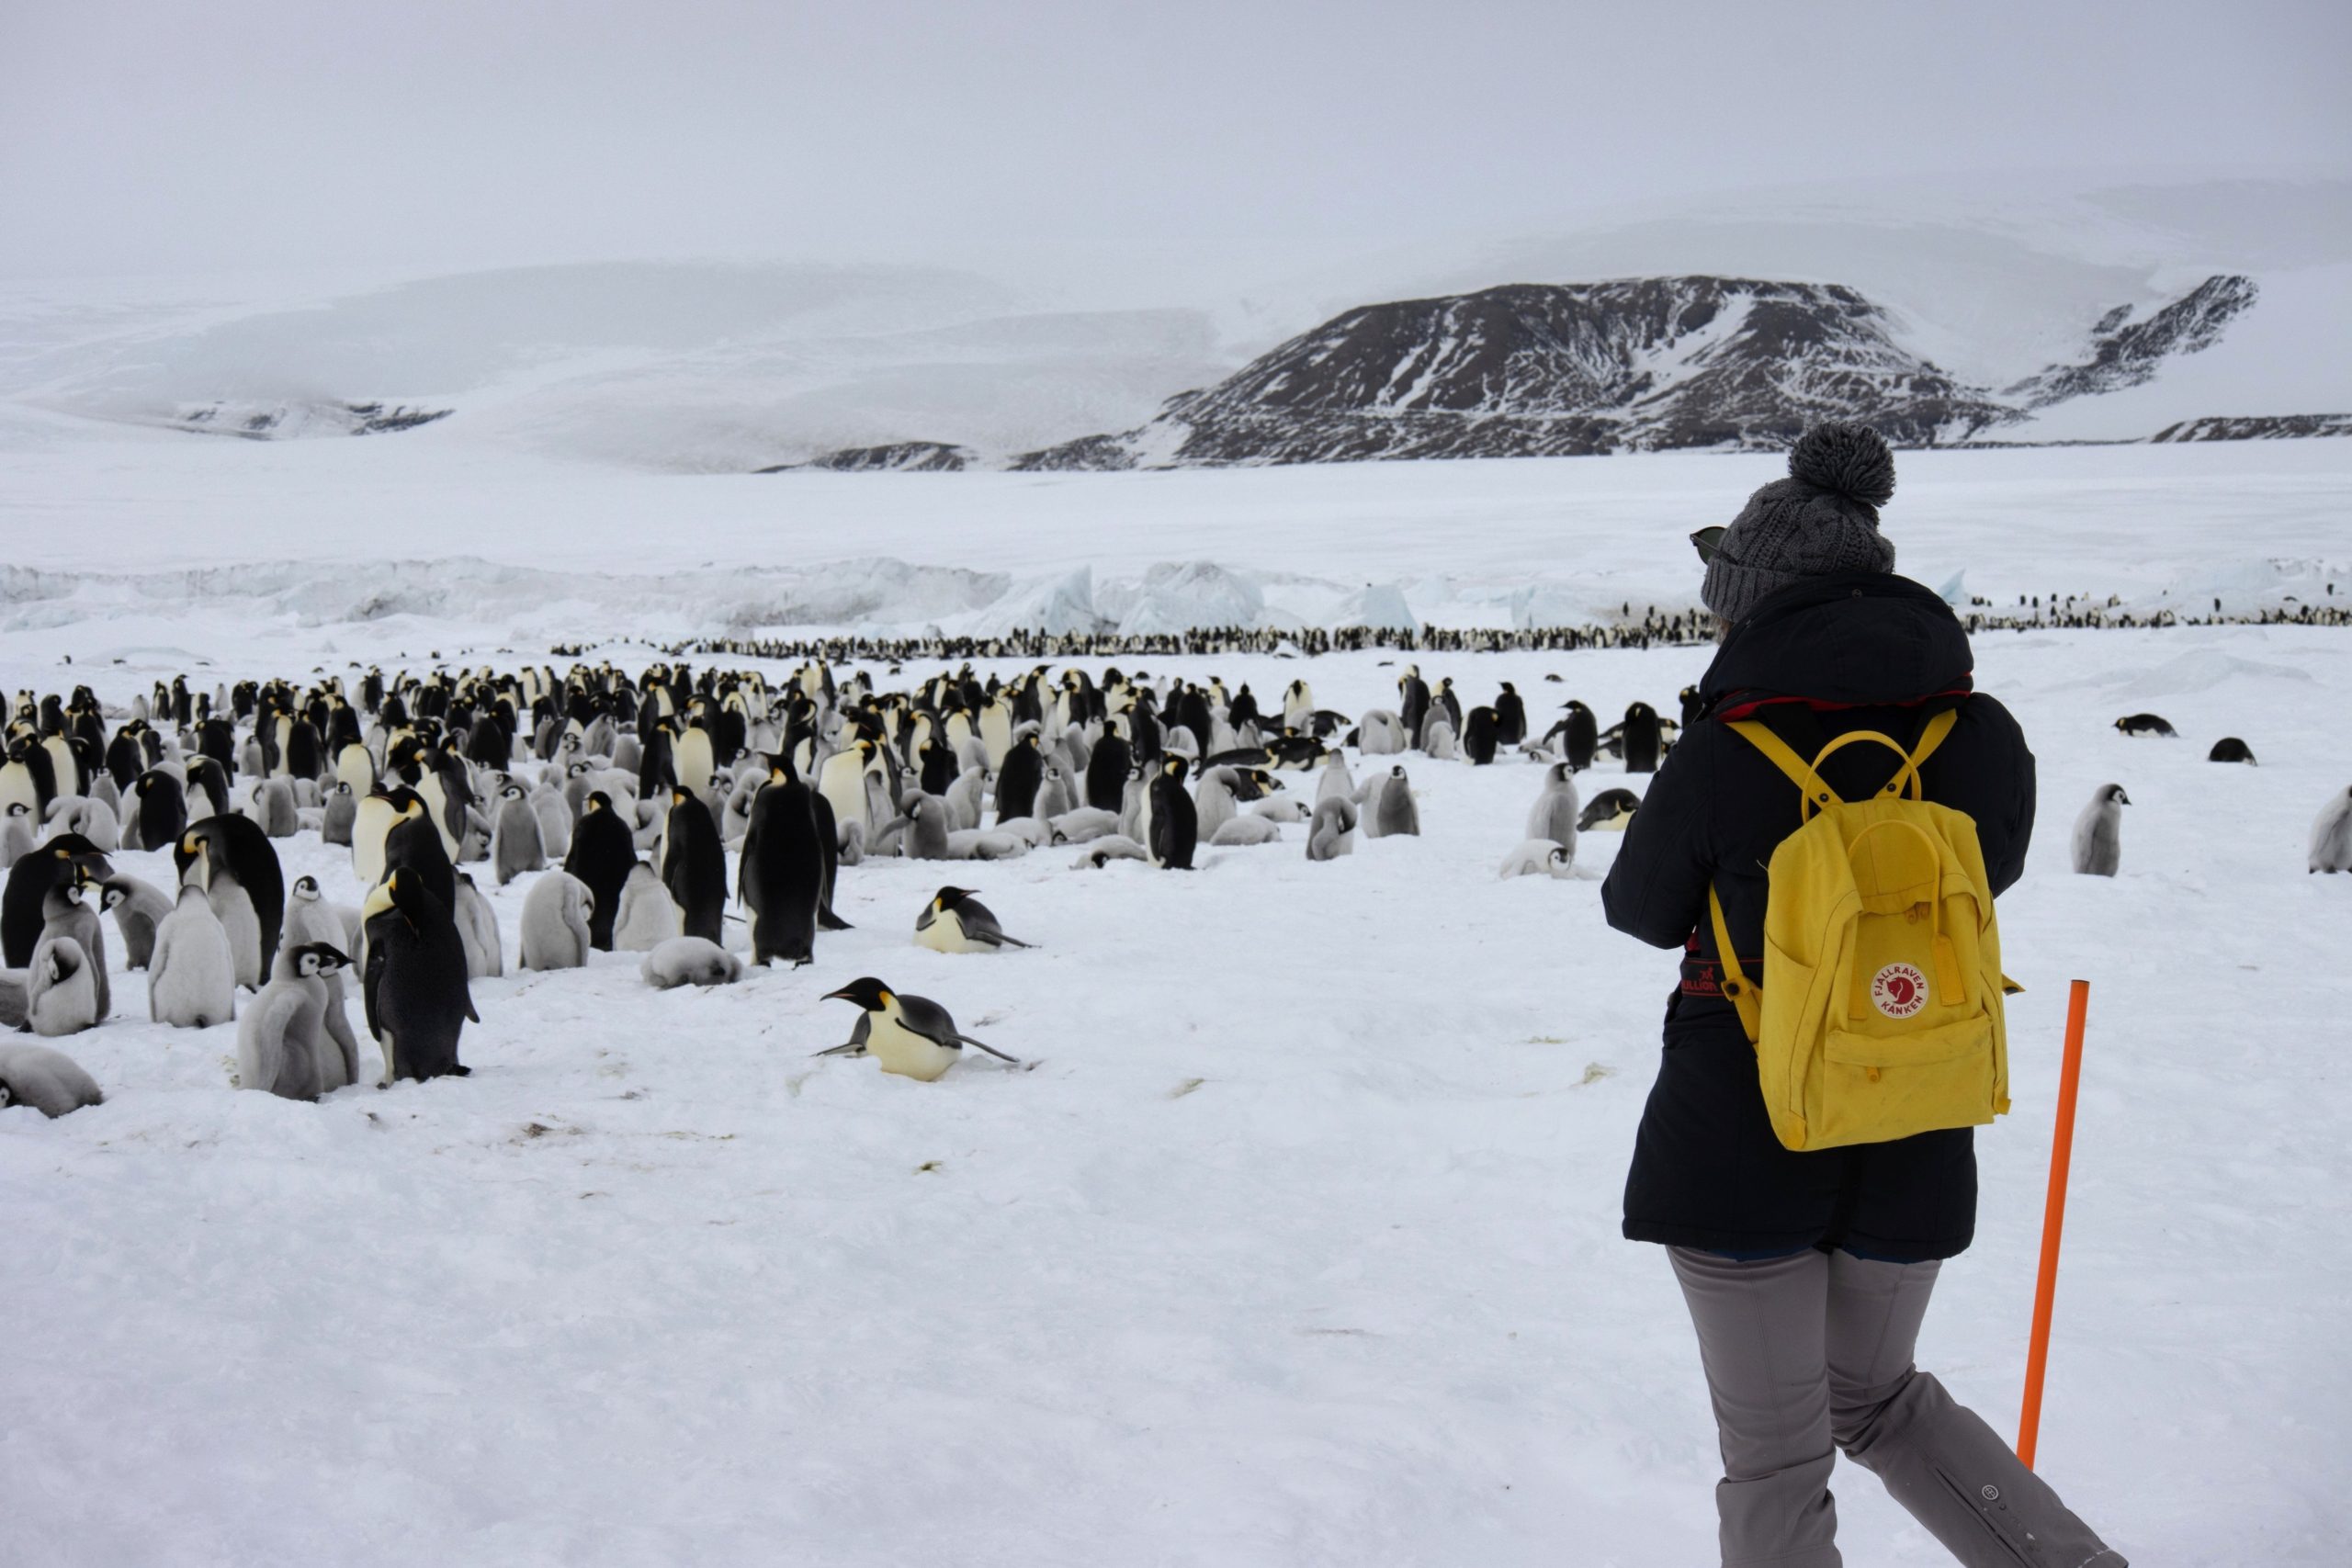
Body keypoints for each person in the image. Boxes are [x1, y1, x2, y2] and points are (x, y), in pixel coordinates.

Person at [1600, 423, 2123, 1567]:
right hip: (1918, 1095)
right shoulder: (1979, 732)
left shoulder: (1728, 744)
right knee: (1877, 1398)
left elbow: (1638, 911)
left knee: (1779, 1454)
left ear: (1753, 601)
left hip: (1741, 1123)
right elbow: (1996, 874)